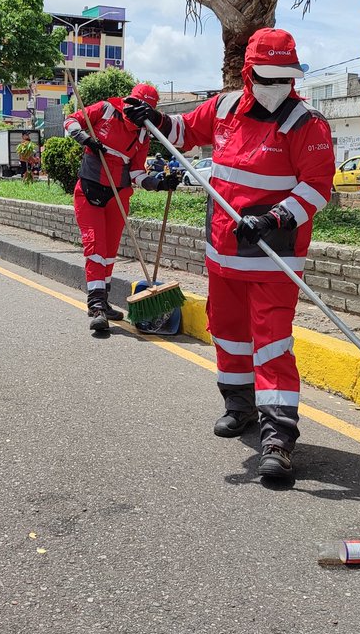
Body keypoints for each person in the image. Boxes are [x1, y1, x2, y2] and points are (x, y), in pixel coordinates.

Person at [124, 28, 334, 484]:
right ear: (248, 73)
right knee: (229, 333)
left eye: (285, 77)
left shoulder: (306, 123)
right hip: (223, 253)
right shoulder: (222, 108)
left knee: (272, 342)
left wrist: (276, 217)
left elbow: (318, 187)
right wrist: (152, 117)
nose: (277, 85)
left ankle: (278, 437)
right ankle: (238, 406)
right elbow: (183, 132)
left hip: (272, 256)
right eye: (267, 76)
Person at [64, 83, 182, 332]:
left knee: (108, 253)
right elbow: (71, 122)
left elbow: (138, 172)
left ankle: (103, 301)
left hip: (118, 196)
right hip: (90, 191)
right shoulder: (105, 110)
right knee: (95, 248)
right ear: (129, 101)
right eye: (137, 106)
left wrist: (160, 184)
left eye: (146, 110)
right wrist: (85, 138)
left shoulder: (142, 135)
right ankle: (96, 306)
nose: (138, 114)